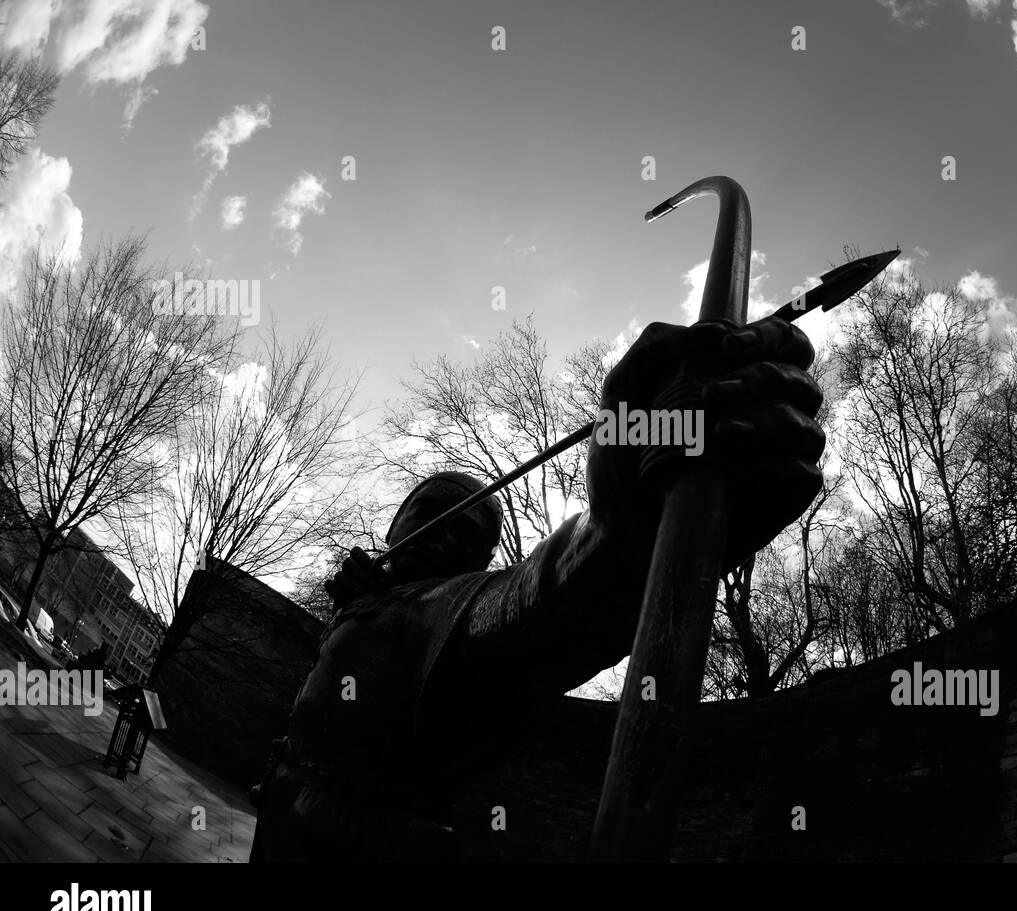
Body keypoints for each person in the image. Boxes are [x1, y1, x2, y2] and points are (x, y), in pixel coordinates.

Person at [250, 316, 825, 860]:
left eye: (467, 537)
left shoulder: (445, 609)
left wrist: (631, 529)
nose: (444, 538)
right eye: (428, 514)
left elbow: (542, 596)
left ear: (481, 563)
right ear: (396, 523)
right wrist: (362, 602)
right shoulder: (381, 603)